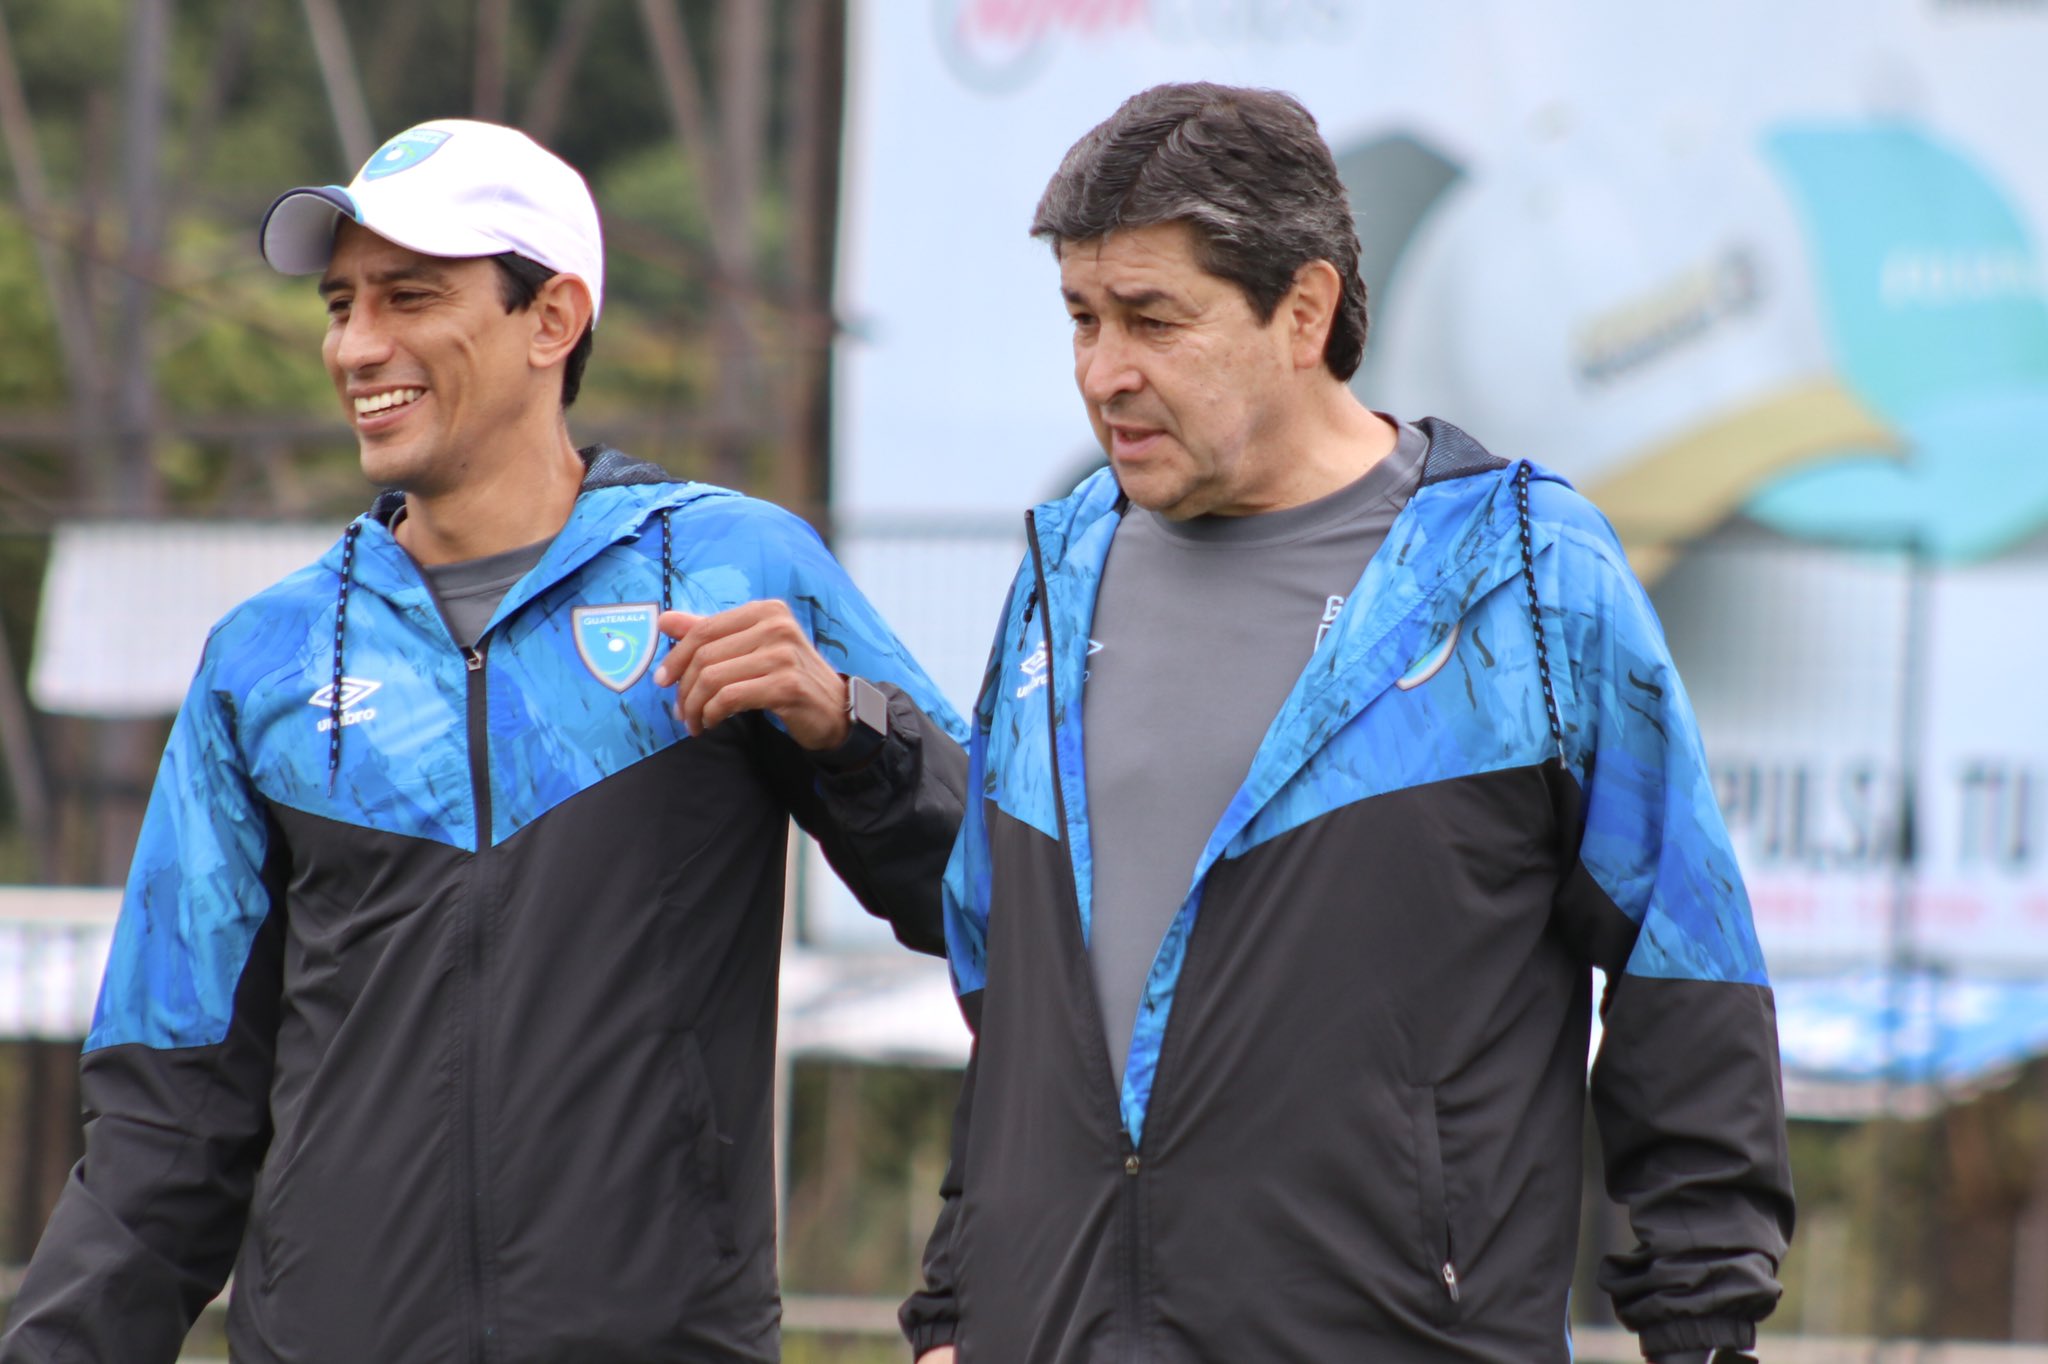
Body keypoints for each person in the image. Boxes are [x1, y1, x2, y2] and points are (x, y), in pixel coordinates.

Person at [0, 118, 965, 1363]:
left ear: (551, 319)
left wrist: (850, 730)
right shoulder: (264, 656)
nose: (357, 345)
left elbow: (1001, 889)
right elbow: (168, 1114)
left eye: (410, 296)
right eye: (341, 303)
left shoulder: (734, 566)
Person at [900, 84, 1793, 1364]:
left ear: (1303, 310)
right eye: (1082, 319)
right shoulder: (1058, 570)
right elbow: (1014, 1010)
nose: (1105, 372)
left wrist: (1701, 1328)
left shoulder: (1523, 574)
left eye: (1154, 318)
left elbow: (1684, 969)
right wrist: (950, 1316)